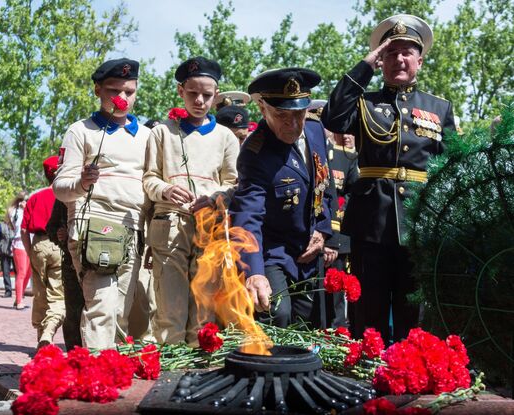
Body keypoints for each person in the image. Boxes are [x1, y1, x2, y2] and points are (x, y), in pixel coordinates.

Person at [322, 14, 456, 342]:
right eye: (391, 52)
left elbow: (452, 167)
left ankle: (410, 373)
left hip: (419, 223)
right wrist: (364, 66)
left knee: (415, 310)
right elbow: (333, 116)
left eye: (406, 52)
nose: (399, 59)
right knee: (369, 309)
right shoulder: (365, 103)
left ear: (420, 61)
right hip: (372, 223)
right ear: (382, 59)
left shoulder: (439, 107)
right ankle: (369, 376)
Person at [53, 58, 151, 350]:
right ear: (97, 90)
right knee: (102, 307)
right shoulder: (80, 131)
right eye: (113, 91)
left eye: (130, 92)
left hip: (133, 228)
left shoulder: (147, 136)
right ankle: (95, 378)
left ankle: (109, 373)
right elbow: (60, 188)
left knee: (120, 312)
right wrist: (82, 182)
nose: (122, 98)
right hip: (93, 225)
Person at [143, 56, 239, 345]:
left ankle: (197, 363)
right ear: (180, 91)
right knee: (168, 305)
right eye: (192, 93)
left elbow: (234, 183)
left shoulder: (225, 137)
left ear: (216, 95)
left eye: (207, 95)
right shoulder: (161, 132)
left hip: (209, 226)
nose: (199, 100)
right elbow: (148, 178)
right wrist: (165, 190)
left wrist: (214, 198)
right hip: (169, 225)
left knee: (203, 307)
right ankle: (168, 365)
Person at [230, 68, 333, 329]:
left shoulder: (315, 130)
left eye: (298, 113)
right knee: (276, 313)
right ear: (263, 110)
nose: (293, 124)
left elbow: (325, 185)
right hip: (270, 254)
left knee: (309, 324)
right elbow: (247, 217)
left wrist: (322, 230)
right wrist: (253, 272)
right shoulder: (255, 153)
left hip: (309, 252)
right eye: (281, 115)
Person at [21, 156, 64, 350]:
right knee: (58, 293)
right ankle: (49, 332)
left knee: (39, 292)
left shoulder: (35, 197)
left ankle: (41, 335)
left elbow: (23, 230)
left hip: (38, 243)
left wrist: (30, 252)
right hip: (59, 244)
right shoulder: (65, 195)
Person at [46, 199, 83, 351]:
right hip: (70, 264)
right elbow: (51, 227)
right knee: (73, 312)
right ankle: (75, 355)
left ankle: (95, 355)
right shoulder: (64, 196)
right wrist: (58, 234)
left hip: (98, 263)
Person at [9, 192, 31, 309]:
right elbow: (19, 225)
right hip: (19, 243)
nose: (25, 202)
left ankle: (19, 297)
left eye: (26, 200)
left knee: (28, 273)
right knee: (21, 273)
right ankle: (19, 301)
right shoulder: (15, 212)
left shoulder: (29, 210)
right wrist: (20, 206)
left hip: (30, 243)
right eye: (22, 200)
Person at [0, 216, 15, 298]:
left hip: (16, 251)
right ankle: (8, 291)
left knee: (19, 272)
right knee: (6, 272)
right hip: (4, 251)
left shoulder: (18, 223)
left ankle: (20, 291)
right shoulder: (1, 225)